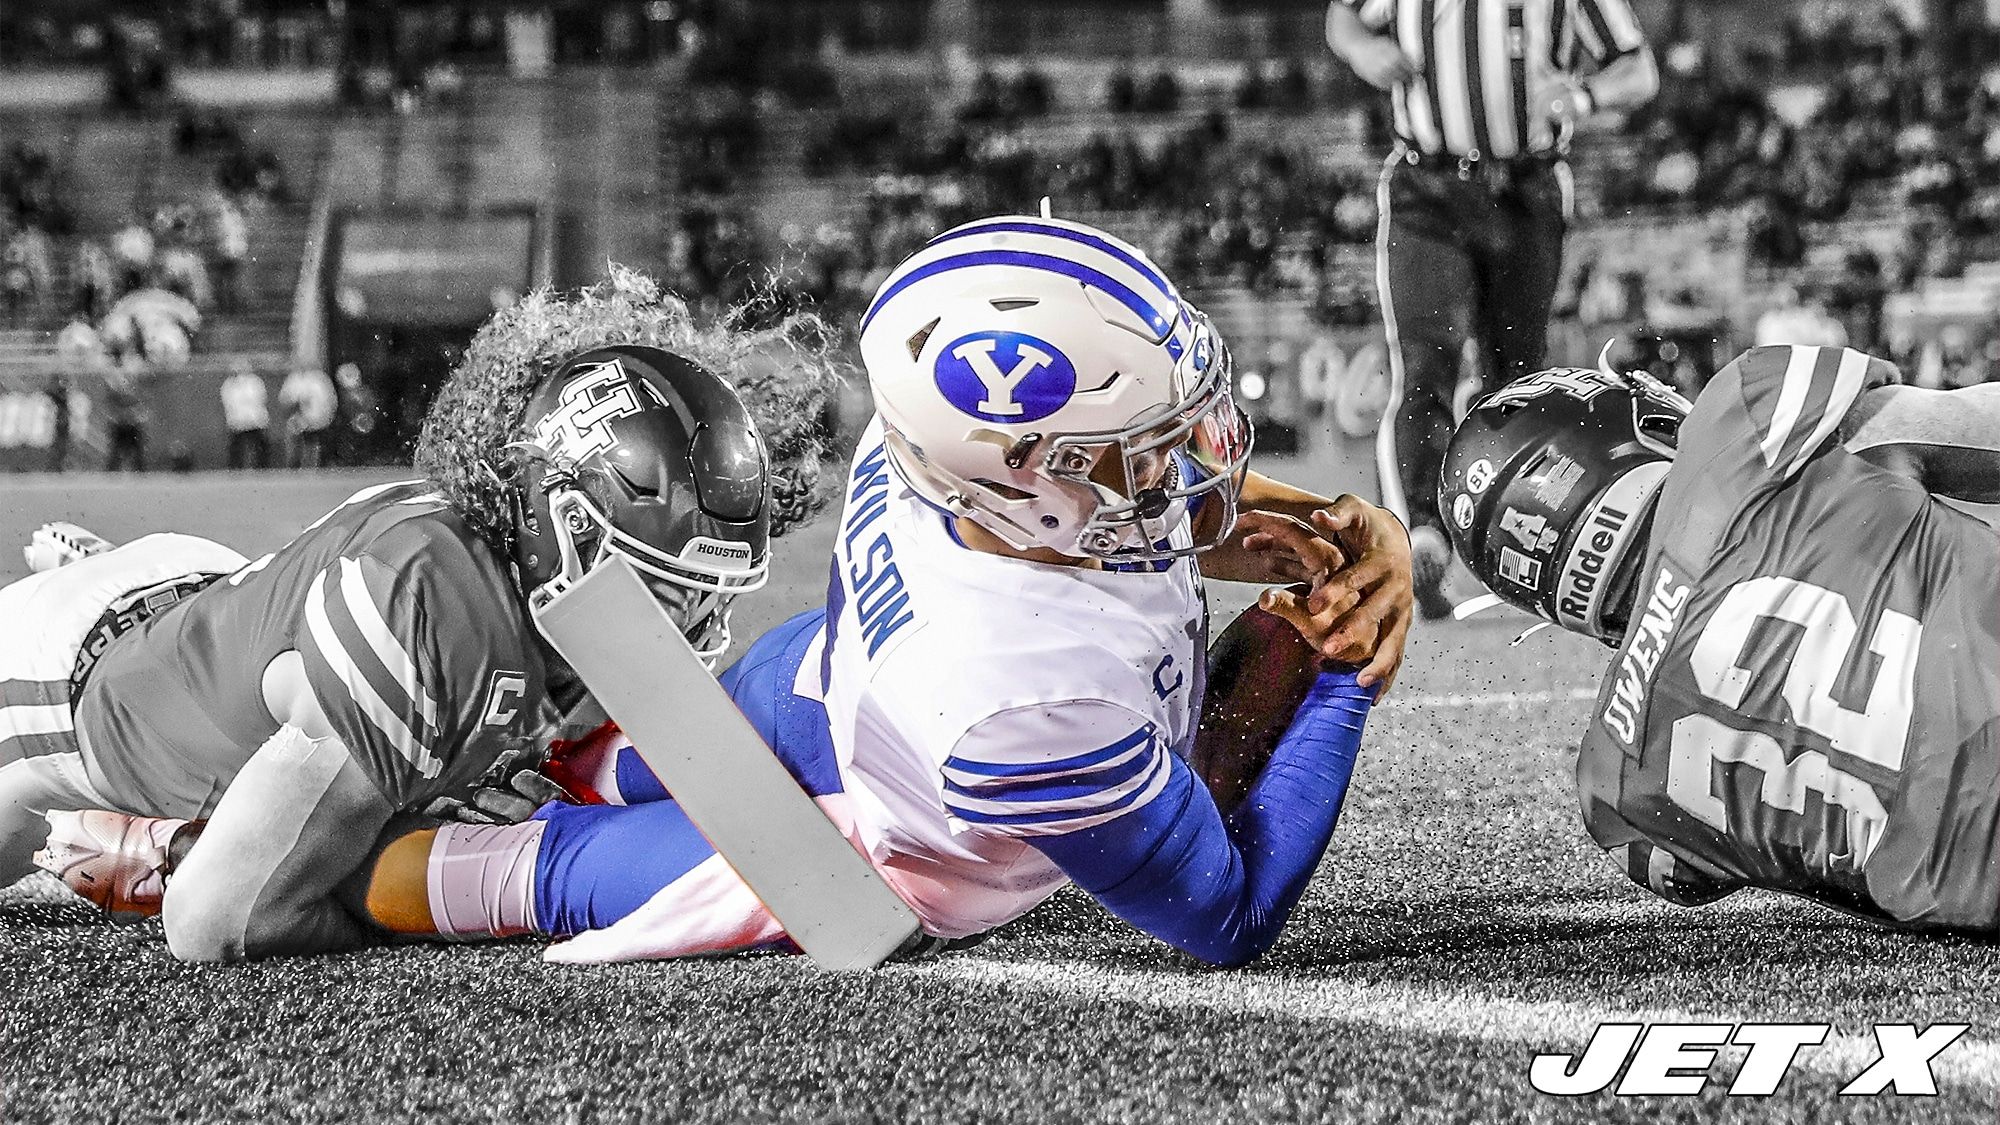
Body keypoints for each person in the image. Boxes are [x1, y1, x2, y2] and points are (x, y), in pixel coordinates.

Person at [210, 215, 1416, 967]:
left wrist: (1307, 535)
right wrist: (1344, 668)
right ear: (1022, 483)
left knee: (601, 757)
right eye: (1150, 448)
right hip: (887, 851)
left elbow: (1131, 522)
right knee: (518, 875)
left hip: (817, 681)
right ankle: (193, 852)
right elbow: (1228, 910)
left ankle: (536, 766)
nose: (1203, 459)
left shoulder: (924, 449)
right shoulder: (1025, 702)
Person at [14, 270, 837, 962]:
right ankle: (153, 832)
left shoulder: (521, 578)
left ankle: (104, 565)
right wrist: (394, 884)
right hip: (52, 682)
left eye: (708, 594)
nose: (694, 630)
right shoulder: (431, 606)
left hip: (205, 596)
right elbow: (218, 918)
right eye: (668, 590)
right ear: (563, 530)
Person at [1437, 345, 2000, 931]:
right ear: (1640, 427)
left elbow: (1821, 881)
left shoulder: (1613, 796)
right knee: (1868, 434)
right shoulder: (1737, 421)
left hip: (1976, 885)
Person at [1326, 0, 1660, 618]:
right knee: (1428, 359)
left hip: (1528, 189)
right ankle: (1418, 536)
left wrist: (1583, 97)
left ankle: (1521, 544)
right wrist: (1362, 51)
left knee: (1520, 380)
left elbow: (1638, 69)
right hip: (1427, 186)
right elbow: (1343, 16)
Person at [278, 364, 337, 468]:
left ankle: (312, 467)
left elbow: (329, 400)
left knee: (313, 444)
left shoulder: (320, 379)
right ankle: (294, 468)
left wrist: (325, 416)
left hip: (316, 420)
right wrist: (296, 403)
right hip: (297, 419)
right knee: (295, 445)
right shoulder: (293, 379)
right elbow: (285, 399)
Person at [220, 360, 270, 470]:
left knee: (260, 446)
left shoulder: (255, 382)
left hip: (255, 420)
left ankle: (262, 469)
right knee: (236, 448)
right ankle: (235, 470)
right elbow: (229, 403)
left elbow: (260, 399)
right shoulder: (228, 385)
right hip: (237, 421)